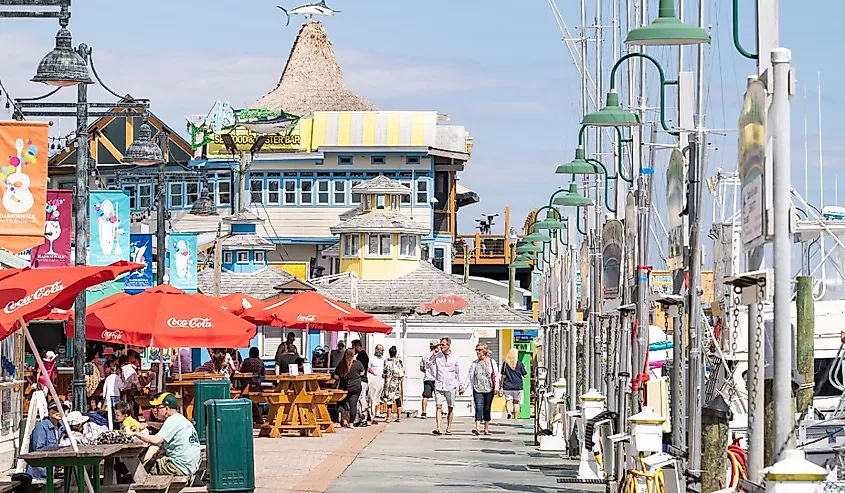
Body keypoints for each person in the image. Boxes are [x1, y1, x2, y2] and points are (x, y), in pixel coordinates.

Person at [129, 392, 201, 477]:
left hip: (178, 466)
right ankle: (128, 467)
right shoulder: (180, 419)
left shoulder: (172, 420)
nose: (155, 410)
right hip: (190, 465)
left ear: (166, 408)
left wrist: (136, 434)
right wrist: (149, 423)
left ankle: (129, 471)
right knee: (158, 452)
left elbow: (156, 440)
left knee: (145, 466)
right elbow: (164, 427)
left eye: (158, 407)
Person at [26, 400, 67, 480]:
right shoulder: (41, 427)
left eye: (62, 409)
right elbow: (37, 450)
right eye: (55, 409)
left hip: (51, 472)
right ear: (48, 411)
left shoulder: (62, 427)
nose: (59, 411)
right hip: (38, 474)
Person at [465, 343, 498, 436]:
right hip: (478, 388)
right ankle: (477, 428)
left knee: (487, 408)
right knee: (478, 407)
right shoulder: (475, 363)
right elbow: (470, 375)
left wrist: (497, 387)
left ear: (484, 351)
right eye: (476, 350)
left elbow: (496, 374)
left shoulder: (492, 362)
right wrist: (464, 386)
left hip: (489, 389)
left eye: (479, 350)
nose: (477, 352)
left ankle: (486, 428)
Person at [430, 337, 461, 436]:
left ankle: (449, 427)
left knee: (450, 407)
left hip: (450, 385)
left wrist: (460, 385)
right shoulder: (437, 356)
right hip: (439, 384)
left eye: (443, 345)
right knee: (438, 406)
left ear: (448, 345)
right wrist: (433, 355)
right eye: (440, 345)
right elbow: (427, 365)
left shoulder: (455, 357)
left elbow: (458, 372)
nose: (441, 347)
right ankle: (438, 428)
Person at [332, 348, 364, 428]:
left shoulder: (341, 364)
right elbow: (362, 373)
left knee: (340, 404)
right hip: (355, 387)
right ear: (353, 355)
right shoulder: (358, 364)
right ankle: (351, 423)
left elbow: (336, 376)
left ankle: (339, 422)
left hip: (344, 388)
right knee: (353, 405)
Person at [237, 347, 265, 425]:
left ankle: (253, 417)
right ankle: (257, 418)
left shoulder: (246, 361)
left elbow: (241, 372)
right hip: (257, 386)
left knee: (245, 396)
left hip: (247, 385)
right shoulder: (260, 362)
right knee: (255, 401)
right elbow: (263, 373)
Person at [500, 348, 528, 419]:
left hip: (507, 386)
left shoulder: (505, 364)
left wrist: (501, 385)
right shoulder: (520, 364)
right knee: (516, 402)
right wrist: (525, 368)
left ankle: (509, 412)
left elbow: (503, 375)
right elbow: (524, 374)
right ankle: (515, 418)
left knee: (508, 401)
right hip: (518, 386)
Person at [382, 346, 405, 423]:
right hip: (398, 381)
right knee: (398, 398)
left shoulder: (387, 361)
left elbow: (385, 373)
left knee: (389, 399)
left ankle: (388, 417)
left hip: (390, 381)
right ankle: (399, 417)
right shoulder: (399, 362)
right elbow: (402, 372)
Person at [351, 340, 370, 425]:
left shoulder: (362, 356)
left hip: (362, 380)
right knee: (359, 399)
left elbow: (362, 370)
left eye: (353, 347)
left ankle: (363, 418)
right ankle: (359, 418)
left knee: (362, 399)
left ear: (356, 346)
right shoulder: (362, 355)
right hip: (361, 380)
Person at [419, 340, 438, 419]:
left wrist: (427, 371)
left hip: (427, 378)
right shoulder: (438, 355)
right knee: (438, 395)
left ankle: (424, 412)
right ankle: (440, 410)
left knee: (425, 396)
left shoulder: (425, 355)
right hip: (436, 378)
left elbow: (421, 368)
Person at [367, 344, 385, 423]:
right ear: (377, 350)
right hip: (373, 379)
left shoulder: (383, 359)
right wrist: (372, 373)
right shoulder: (371, 358)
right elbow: (368, 367)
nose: (382, 352)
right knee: (372, 396)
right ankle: (372, 412)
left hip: (381, 379)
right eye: (381, 350)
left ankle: (378, 411)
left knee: (379, 396)